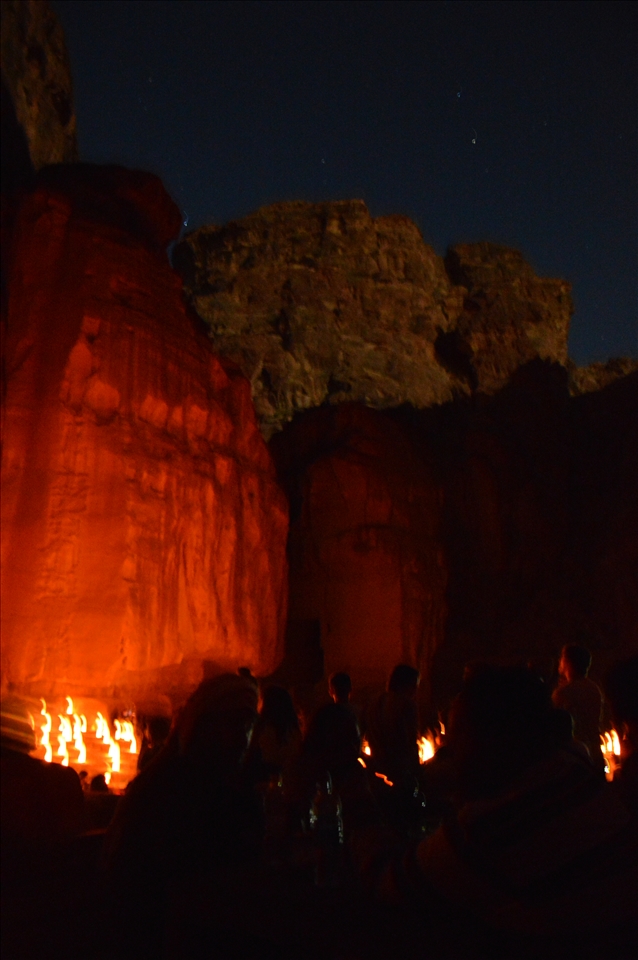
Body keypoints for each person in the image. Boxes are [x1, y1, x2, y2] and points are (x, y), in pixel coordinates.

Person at [352, 664, 638, 959]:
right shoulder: (579, 777)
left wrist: (360, 805)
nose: (451, 748)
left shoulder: (495, 825)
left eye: (458, 732)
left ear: (489, 737)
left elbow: (387, 882)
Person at [102, 674, 263, 960]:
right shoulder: (171, 788)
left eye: (247, 725)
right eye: (231, 723)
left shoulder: (222, 782)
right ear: (204, 727)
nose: (242, 737)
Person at [302, 673, 361, 789]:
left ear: (331, 691)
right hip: (349, 768)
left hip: (328, 768)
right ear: (351, 689)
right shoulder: (358, 713)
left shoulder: (324, 714)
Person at [552, 643, 604, 772]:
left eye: (562, 658)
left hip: (576, 755)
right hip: (595, 750)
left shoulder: (564, 692)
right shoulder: (594, 688)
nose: (559, 661)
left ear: (568, 662)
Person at [365, 664, 420, 784]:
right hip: (400, 770)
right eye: (415, 686)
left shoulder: (374, 703)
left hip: (377, 767)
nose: (415, 691)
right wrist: (417, 771)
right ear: (407, 684)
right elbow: (409, 741)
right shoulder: (406, 704)